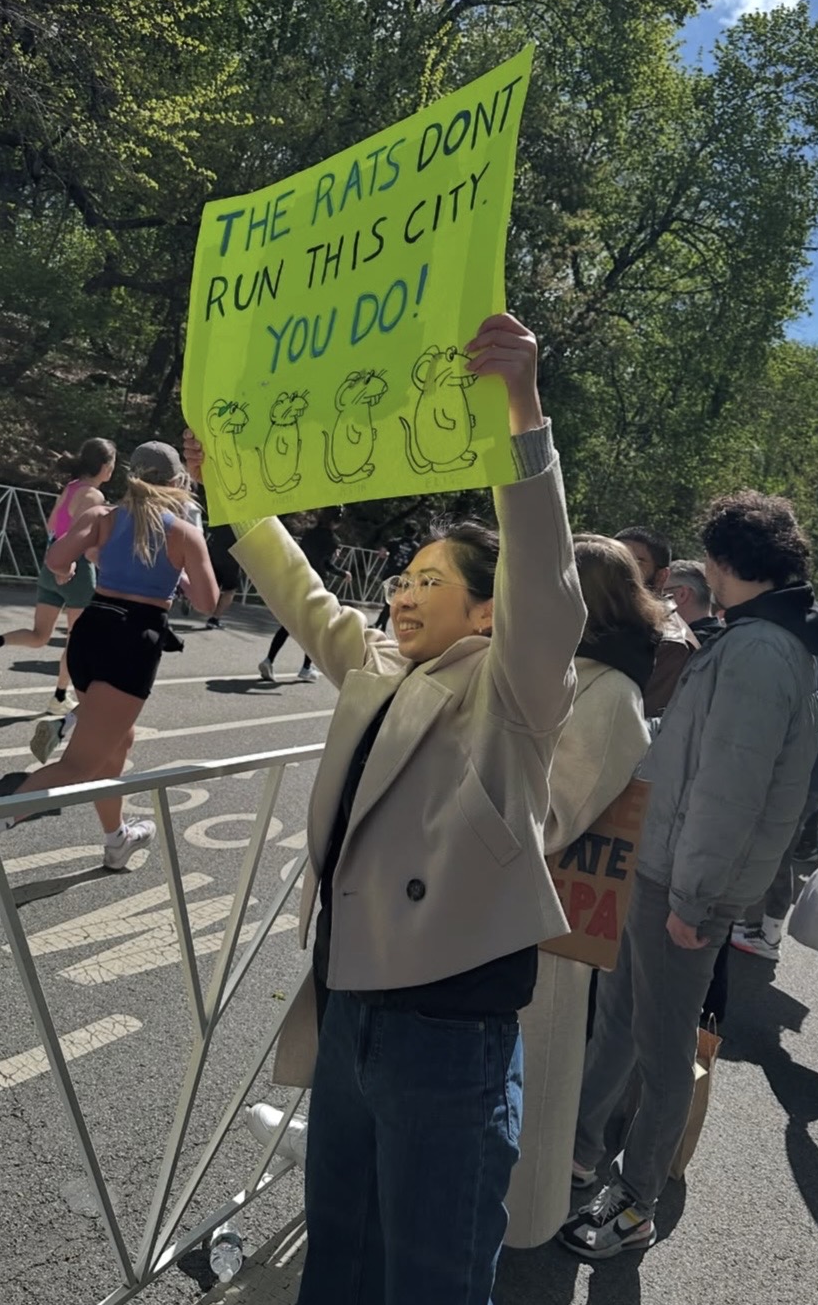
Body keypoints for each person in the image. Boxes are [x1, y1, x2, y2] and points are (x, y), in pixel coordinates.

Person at [185, 312, 585, 1305]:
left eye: (429, 582)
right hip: (351, 1003)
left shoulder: (516, 688)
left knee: (429, 1280)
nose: (403, 594)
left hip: (449, 1029)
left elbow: (549, 586)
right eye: (403, 579)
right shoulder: (380, 667)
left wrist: (523, 413)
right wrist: (232, 489)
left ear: (488, 608)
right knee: (341, 1259)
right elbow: (301, 593)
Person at [563, 490, 818, 1260]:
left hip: (682, 880)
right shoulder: (768, 639)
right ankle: (580, 1149)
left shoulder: (758, 650)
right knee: (623, 1019)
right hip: (669, 867)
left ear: (721, 560)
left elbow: (728, 790)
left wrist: (696, 897)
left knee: (659, 1046)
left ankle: (635, 1200)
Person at [504, 535, 658, 1250]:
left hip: (543, 920)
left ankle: (511, 1217)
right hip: (501, 908)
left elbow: (556, 817)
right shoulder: (562, 670)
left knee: (527, 1080)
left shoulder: (613, 693)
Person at [0, 442, 217, 869]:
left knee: (120, 740)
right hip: (133, 640)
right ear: (176, 483)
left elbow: (56, 557)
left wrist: (71, 568)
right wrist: (178, 575)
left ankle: (117, 839)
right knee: (77, 765)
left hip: (91, 629)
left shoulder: (103, 517)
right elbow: (207, 602)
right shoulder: (183, 532)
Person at [732, 616, 818, 959]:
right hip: (812, 778)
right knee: (776, 852)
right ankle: (763, 928)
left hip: (795, 776)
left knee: (770, 853)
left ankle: (761, 931)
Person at [0, 438, 117, 714]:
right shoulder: (94, 495)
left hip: (50, 564)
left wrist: (56, 563)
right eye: (112, 464)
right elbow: (82, 536)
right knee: (76, 640)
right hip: (75, 570)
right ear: (104, 467)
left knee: (40, 635)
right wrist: (74, 564)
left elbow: (52, 526)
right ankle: (59, 696)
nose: (112, 469)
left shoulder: (71, 488)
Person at [258, 508, 351, 683]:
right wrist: (343, 572)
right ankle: (306, 668)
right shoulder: (333, 540)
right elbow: (325, 564)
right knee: (314, 628)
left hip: (299, 578)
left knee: (287, 624)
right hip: (316, 585)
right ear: (336, 522)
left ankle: (269, 660)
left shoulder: (309, 533)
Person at [615, 527, 695, 717]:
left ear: (661, 576)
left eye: (635, 563)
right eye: (615, 560)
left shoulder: (671, 643)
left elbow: (639, 720)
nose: (620, 570)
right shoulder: (616, 620)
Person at [373, 521, 421, 632]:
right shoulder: (416, 547)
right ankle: (381, 625)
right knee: (390, 602)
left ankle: (380, 624)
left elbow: (381, 553)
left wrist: (389, 556)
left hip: (389, 574)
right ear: (415, 534)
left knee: (389, 602)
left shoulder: (394, 542)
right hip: (403, 578)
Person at [666, 559, 723, 645]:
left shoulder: (680, 646)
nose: (654, 600)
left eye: (660, 592)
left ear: (682, 594)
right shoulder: (729, 638)